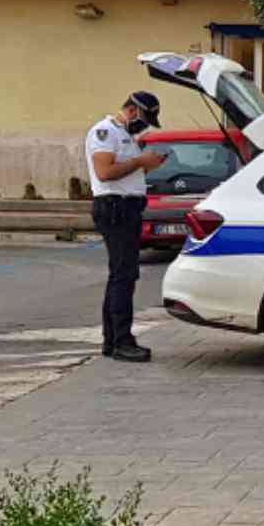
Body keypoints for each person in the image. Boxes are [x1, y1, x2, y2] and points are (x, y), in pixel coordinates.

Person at [86, 91, 167, 363]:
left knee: (121, 275)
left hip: (127, 208)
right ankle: (122, 340)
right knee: (124, 275)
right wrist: (140, 161)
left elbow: (126, 172)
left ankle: (112, 340)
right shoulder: (104, 132)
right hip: (114, 208)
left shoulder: (127, 137)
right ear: (132, 110)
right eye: (144, 120)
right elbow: (105, 173)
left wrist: (146, 166)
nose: (144, 126)